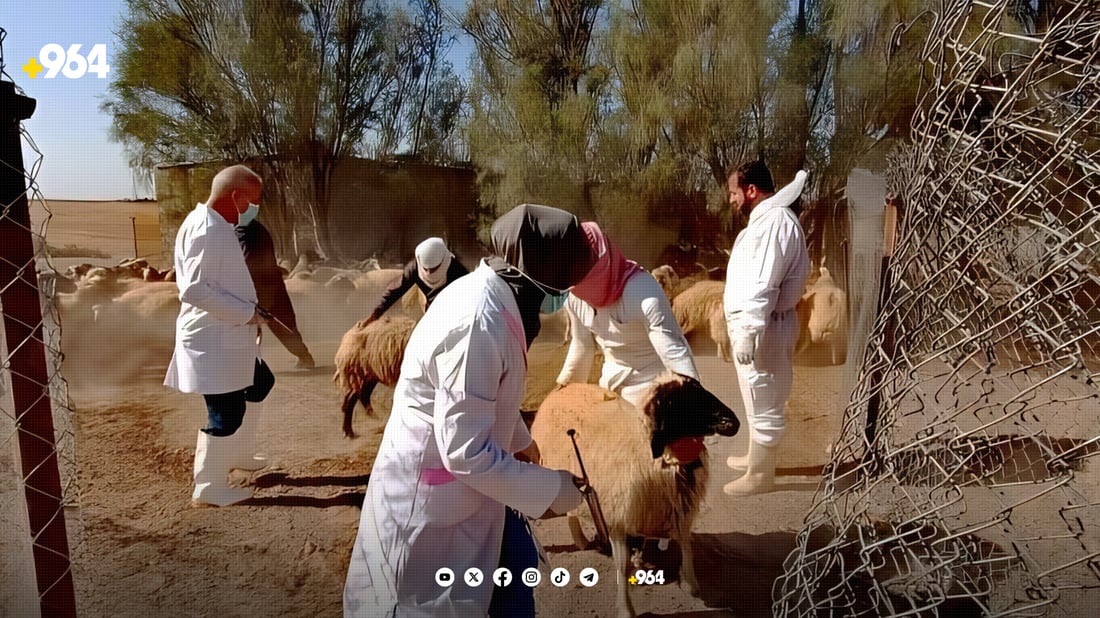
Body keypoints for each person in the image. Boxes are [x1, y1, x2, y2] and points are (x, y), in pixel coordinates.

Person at [343, 204, 595, 618]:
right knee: (424, 604)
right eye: (563, 281)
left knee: (513, 571)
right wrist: (552, 489)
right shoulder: (478, 322)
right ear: (540, 272)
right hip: (432, 500)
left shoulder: (490, 297)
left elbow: (483, 394)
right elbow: (465, 452)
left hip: (471, 487)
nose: (563, 295)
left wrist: (521, 441)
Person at [164, 164, 269, 507]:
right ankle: (208, 486)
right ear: (236, 197)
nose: (254, 208)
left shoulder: (216, 224)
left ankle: (239, 453)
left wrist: (251, 312)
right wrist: (246, 313)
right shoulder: (207, 230)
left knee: (260, 383)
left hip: (229, 336)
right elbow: (193, 289)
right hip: (214, 340)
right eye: (252, 201)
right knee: (225, 413)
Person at [722, 161, 811, 496]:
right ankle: (756, 456)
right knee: (755, 391)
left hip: (766, 327)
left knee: (765, 394)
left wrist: (748, 330)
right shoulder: (765, 222)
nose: (730, 200)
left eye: (733, 192)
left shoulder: (775, 223)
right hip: (759, 325)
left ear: (750, 190)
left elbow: (763, 284)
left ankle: (761, 475)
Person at [554, 221, 701, 408]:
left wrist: (695, 406)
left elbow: (674, 353)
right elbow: (582, 346)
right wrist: (563, 390)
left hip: (655, 391)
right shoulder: (573, 295)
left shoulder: (643, 292)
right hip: (610, 388)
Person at [236, 215, 316, 370]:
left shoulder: (242, 231)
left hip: (256, 286)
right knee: (283, 323)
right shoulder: (255, 228)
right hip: (271, 283)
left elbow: (249, 260)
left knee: (246, 324)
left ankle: (248, 366)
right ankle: (304, 356)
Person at [355, 237, 469, 328]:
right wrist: (374, 315)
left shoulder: (458, 273)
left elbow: (468, 302)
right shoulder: (414, 268)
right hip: (429, 311)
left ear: (445, 261)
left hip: (454, 313)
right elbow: (394, 290)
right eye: (426, 269)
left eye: (433, 269)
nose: (429, 273)